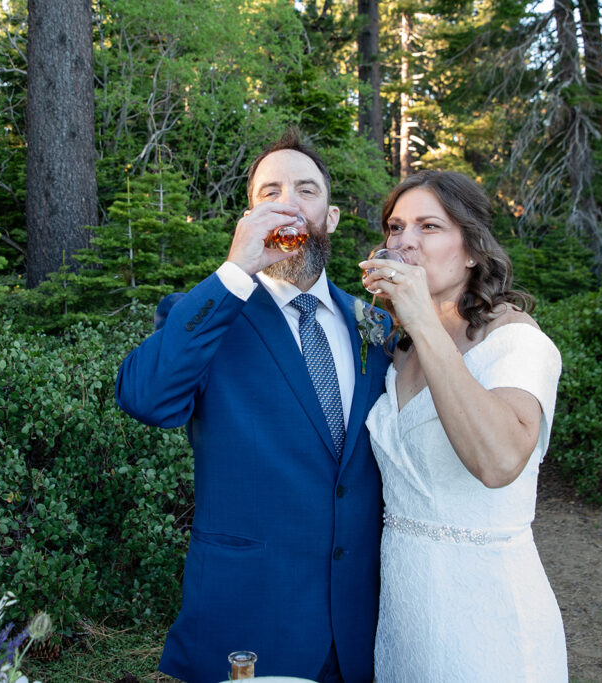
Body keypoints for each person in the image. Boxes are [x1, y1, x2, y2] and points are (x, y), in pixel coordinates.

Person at [115, 128, 390, 683]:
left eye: (306, 190)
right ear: (248, 217)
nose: (289, 203)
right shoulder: (207, 313)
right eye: (271, 192)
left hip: (362, 625)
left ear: (330, 218)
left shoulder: (376, 324)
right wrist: (233, 271)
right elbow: (146, 399)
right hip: (249, 619)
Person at [360, 170, 567, 682]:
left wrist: (423, 320)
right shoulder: (397, 346)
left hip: (488, 615)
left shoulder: (517, 342)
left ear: (472, 249)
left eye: (429, 227)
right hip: (403, 610)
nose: (405, 241)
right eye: (395, 226)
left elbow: (498, 463)